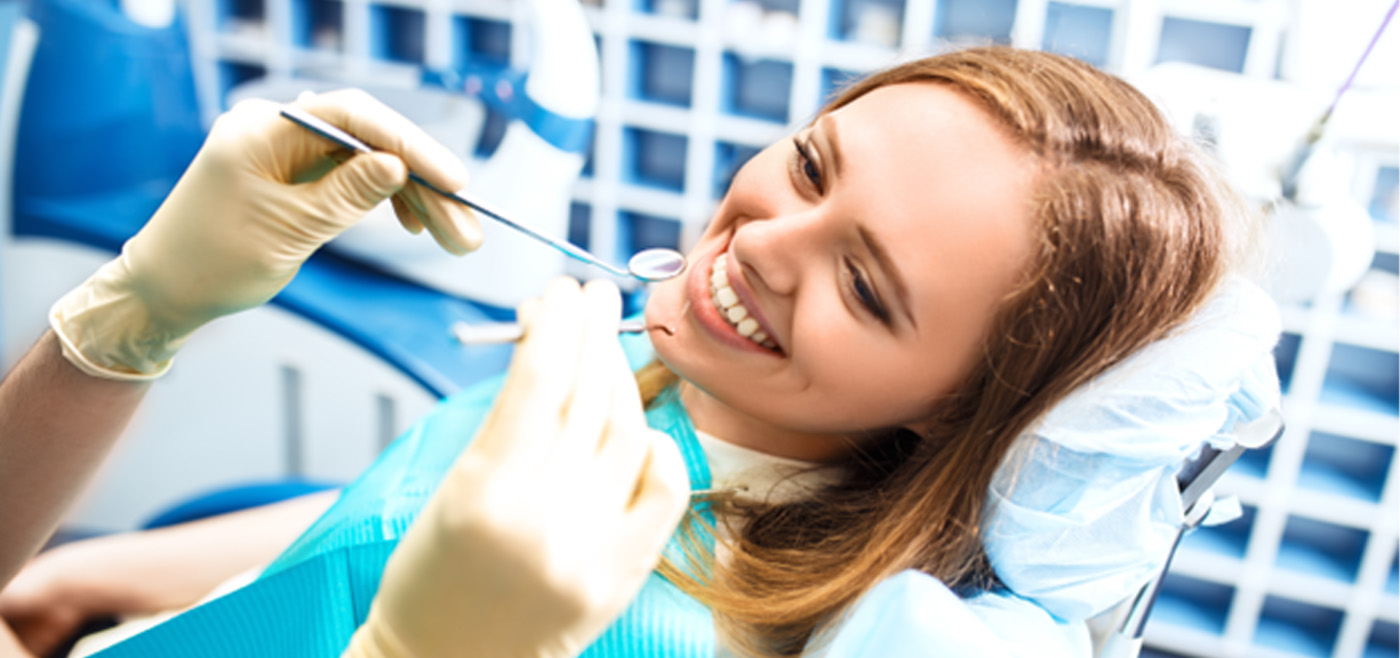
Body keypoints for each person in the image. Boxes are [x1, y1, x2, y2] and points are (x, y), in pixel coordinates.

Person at [3, 45, 1277, 658]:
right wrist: (127, 348)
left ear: (957, 411)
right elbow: (395, 506)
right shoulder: (642, 374)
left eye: (866, 286)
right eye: (813, 162)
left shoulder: (711, 635)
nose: (771, 239)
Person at [0, 90, 688, 657]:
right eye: (803, 166)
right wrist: (135, 311)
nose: (759, 249)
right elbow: (379, 510)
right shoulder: (642, 364)